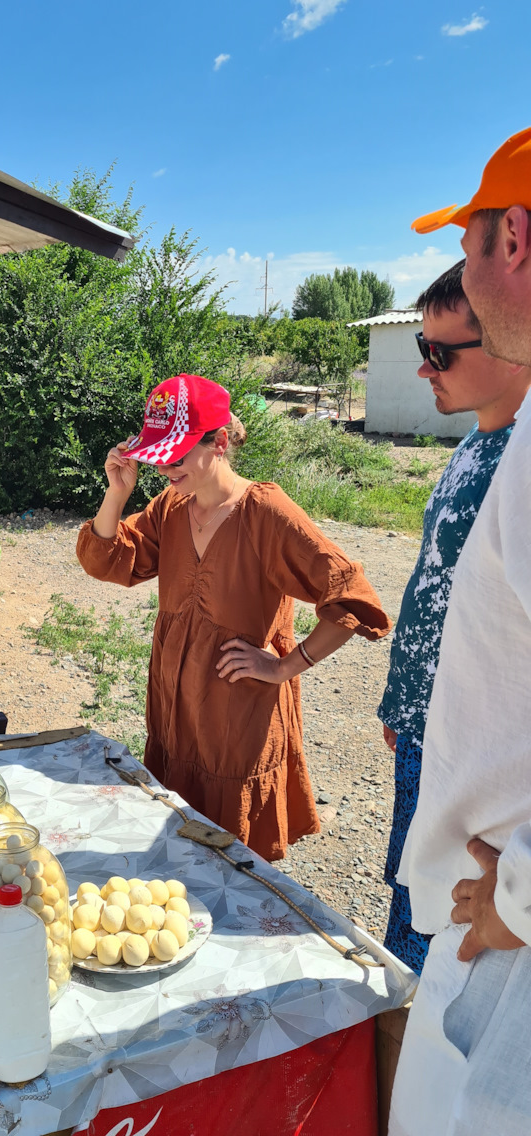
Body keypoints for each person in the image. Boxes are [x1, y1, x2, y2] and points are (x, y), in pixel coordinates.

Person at [76, 373, 391, 860]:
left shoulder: (265, 512)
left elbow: (350, 595)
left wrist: (287, 665)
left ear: (219, 442)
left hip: (237, 728)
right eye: (158, 456)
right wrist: (116, 494)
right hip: (176, 720)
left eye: (176, 456)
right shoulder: (170, 507)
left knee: (235, 866)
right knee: (177, 857)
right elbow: (106, 559)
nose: (165, 470)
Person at [389, 126, 531, 1135]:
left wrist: (522, 889)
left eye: (441, 348)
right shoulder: (494, 446)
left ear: (511, 241)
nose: (429, 364)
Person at [376, 262, 529, 974]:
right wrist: (401, 696)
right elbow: (432, 585)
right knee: (410, 888)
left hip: (478, 749)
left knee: (446, 921)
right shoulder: (474, 443)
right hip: (425, 726)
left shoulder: (521, 463)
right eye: (420, 350)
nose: (424, 370)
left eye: (440, 353)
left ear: (506, 339)